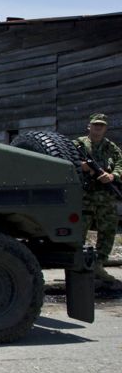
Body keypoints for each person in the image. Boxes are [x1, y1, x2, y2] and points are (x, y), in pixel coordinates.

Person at [74, 113, 122, 285]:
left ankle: (98, 265)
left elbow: (120, 163)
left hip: (105, 196)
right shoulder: (78, 144)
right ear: (89, 126)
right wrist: (82, 166)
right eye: (95, 125)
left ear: (105, 128)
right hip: (85, 196)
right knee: (78, 231)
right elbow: (64, 159)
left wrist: (112, 175)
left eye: (101, 125)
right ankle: (77, 264)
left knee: (108, 229)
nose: (98, 128)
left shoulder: (111, 147)